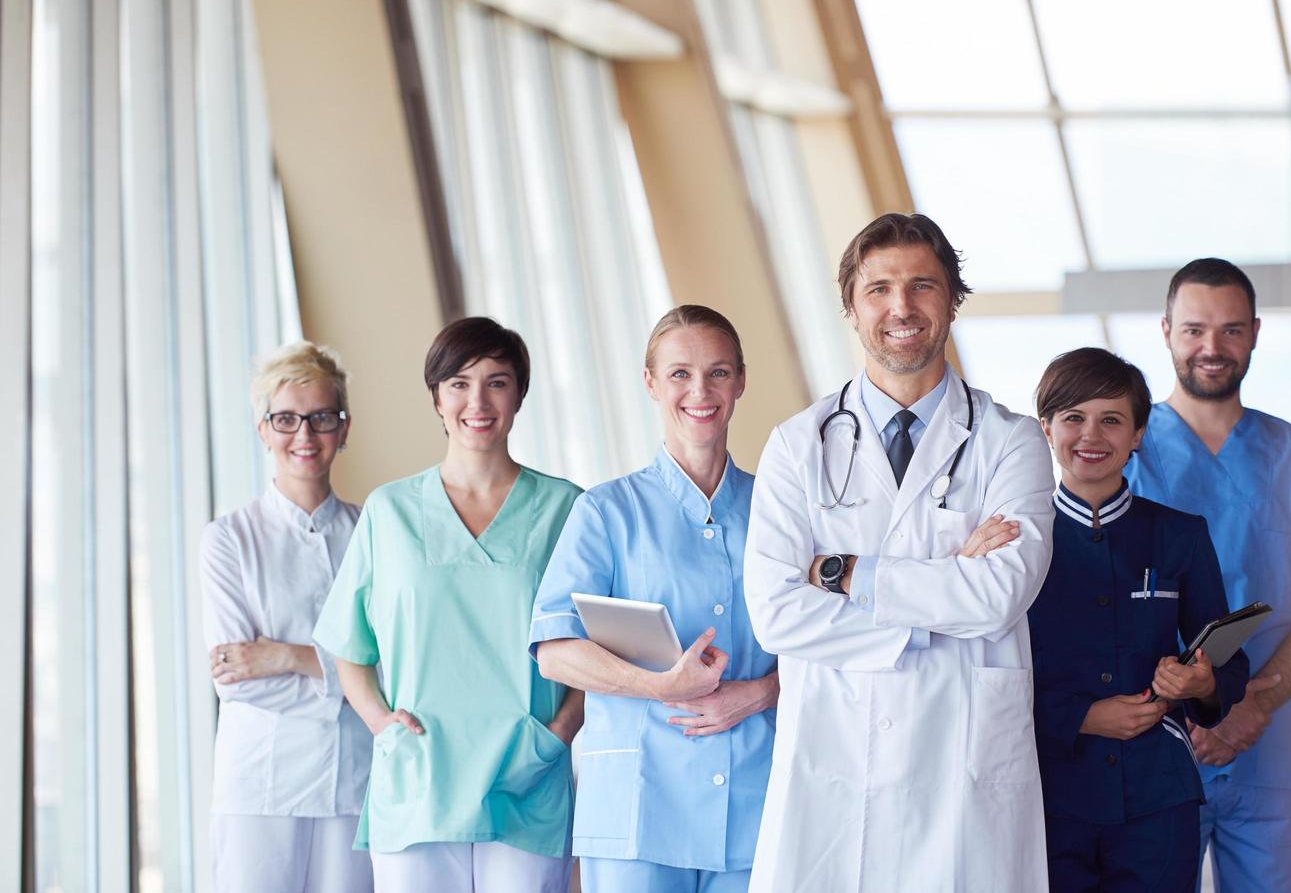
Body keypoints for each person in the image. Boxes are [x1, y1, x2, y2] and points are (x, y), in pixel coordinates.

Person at [742, 212, 1055, 891]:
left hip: (961, 770)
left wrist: (841, 572)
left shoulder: (1010, 442)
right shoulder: (797, 446)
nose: (900, 308)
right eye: (878, 289)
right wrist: (943, 591)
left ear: (951, 301)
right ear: (851, 308)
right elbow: (775, 614)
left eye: (922, 286)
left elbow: (999, 594)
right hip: (834, 764)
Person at [1126, 259, 1291, 892]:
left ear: (1254, 333)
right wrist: (1197, 712)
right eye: (1194, 330)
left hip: (1272, 754)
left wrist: (1252, 705)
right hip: (1159, 750)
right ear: (1166, 331)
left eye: (1230, 330)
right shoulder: (1126, 458)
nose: (1212, 348)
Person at [312, 317, 585, 893]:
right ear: (436, 397)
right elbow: (349, 647)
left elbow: (600, 647)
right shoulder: (389, 513)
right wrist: (381, 726)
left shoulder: (568, 509)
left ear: (520, 393)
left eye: (497, 381)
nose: (477, 401)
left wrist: (558, 732)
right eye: (459, 383)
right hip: (418, 780)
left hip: (527, 778)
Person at [530, 305, 779, 893]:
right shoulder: (606, 511)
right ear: (650, 383)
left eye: (718, 373)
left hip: (756, 802)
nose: (701, 391)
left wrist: (759, 692)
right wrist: (659, 687)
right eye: (679, 374)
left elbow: (831, 640)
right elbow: (554, 652)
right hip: (639, 809)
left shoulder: (779, 509)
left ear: (741, 380)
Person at [1028, 347, 1250, 892]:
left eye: (1112, 419)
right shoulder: (1017, 541)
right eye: (1073, 418)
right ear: (1046, 429)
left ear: (1138, 434)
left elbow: (1228, 660)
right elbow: (982, 671)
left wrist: (1202, 682)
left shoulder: (1180, 534)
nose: (1091, 435)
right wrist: (1081, 716)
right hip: (1049, 794)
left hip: (1159, 796)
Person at [200, 341, 374, 893]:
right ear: (263, 430)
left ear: (343, 429)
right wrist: (353, 681)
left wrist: (284, 656)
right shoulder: (228, 539)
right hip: (261, 786)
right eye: (286, 419)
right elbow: (239, 686)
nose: (304, 435)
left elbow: (397, 667)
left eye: (321, 418)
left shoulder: (374, 532)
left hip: (353, 781)